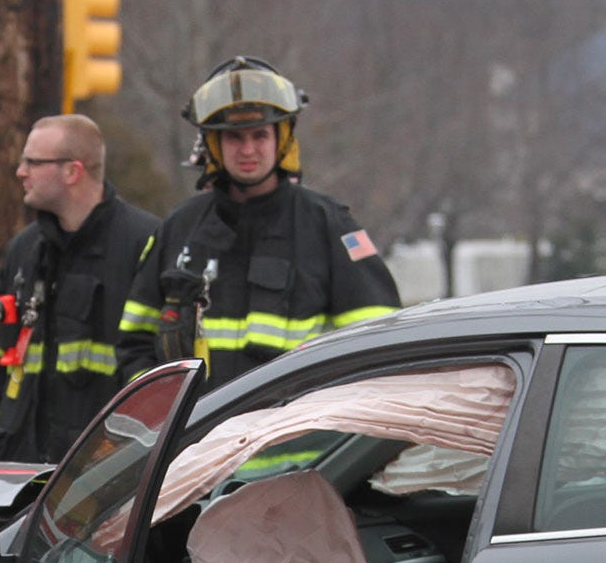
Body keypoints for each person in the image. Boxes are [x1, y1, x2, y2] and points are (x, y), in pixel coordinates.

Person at [117, 57, 399, 390]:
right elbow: (134, 344)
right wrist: (164, 415)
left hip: (295, 440)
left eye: (260, 135)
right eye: (234, 137)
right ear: (214, 145)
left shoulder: (328, 227)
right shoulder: (180, 228)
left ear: (281, 139)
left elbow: (377, 346)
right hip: (199, 441)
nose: (248, 149)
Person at [0, 113, 158, 462]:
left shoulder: (143, 245)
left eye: (33, 162)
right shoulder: (24, 252)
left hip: (107, 480)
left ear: (72, 171)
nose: (20, 171)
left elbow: (158, 376)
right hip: (22, 480)